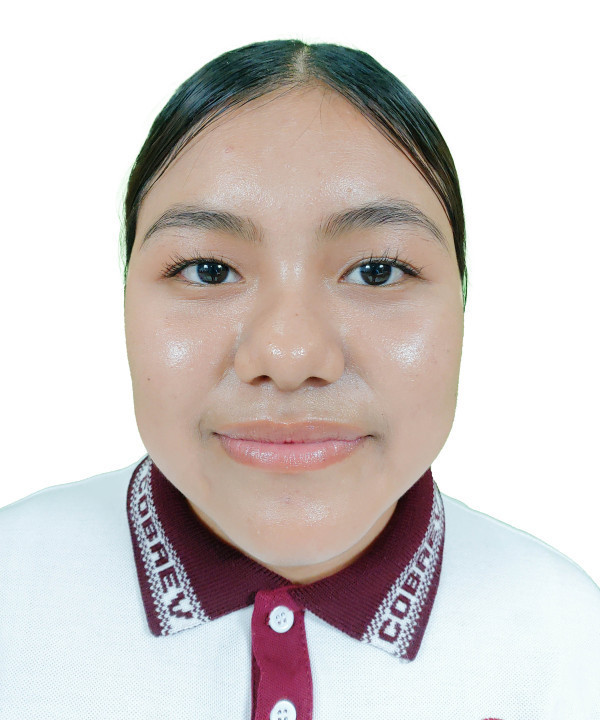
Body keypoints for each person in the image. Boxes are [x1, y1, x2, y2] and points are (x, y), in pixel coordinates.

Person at [0, 39, 598, 719]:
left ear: (463, 303)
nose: (288, 357)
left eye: (377, 271)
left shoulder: (573, 645)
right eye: (208, 271)